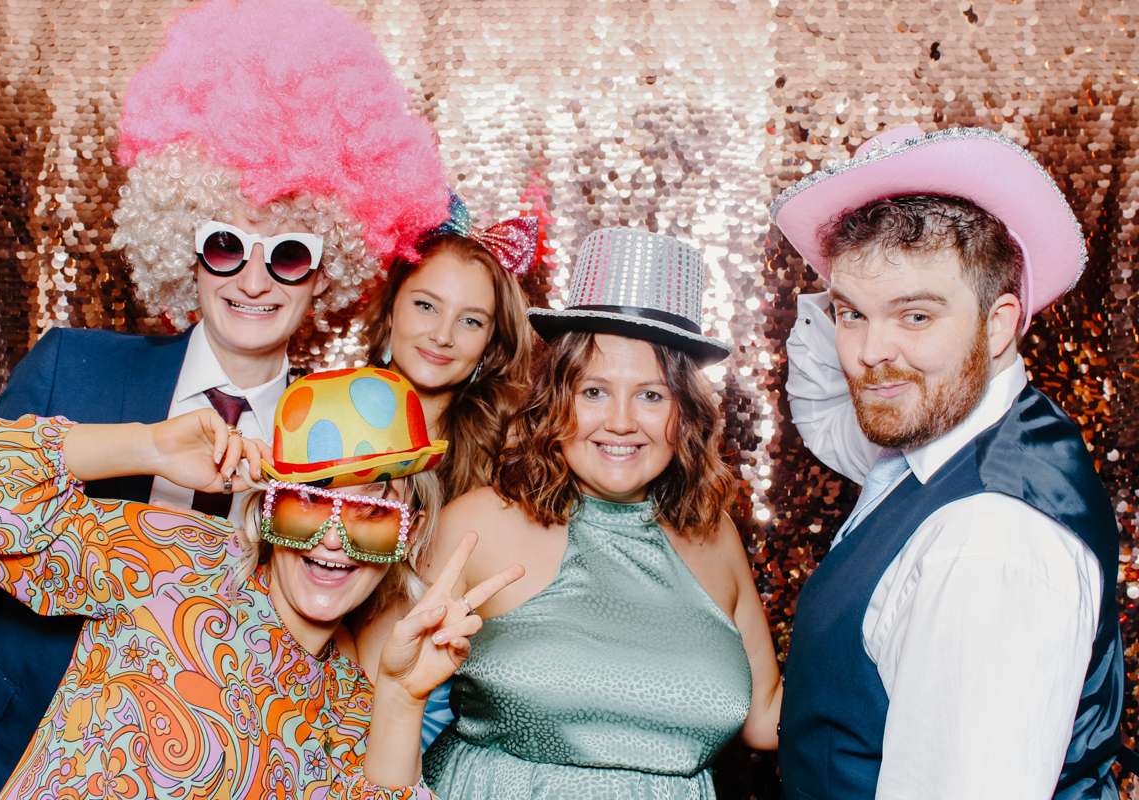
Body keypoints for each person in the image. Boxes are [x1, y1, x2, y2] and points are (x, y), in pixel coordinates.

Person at [0, 0, 449, 794]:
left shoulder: (331, 433)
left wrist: (400, 699)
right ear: (186, 245)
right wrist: (144, 443)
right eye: (225, 245)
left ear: (327, 268)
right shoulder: (86, 385)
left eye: (287, 254)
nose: (252, 279)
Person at [0, 368, 520, 799]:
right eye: (308, 506)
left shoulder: (351, 698)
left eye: (371, 517)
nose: (333, 541)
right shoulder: (179, 560)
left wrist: (401, 699)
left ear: (409, 536)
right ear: (266, 509)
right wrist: (147, 446)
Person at [772, 125, 1123, 799]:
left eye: (916, 317)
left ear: (997, 326)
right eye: (853, 316)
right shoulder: (939, 441)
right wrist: (844, 292)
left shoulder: (987, 541)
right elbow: (825, 417)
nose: (873, 352)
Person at [420, 227, 783, 798]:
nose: (619, 422)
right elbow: (372, 692)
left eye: (651, 394)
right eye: (593, 391)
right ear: (556, 399)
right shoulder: (479, 523)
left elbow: (765, 717)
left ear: (685, 414)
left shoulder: (713, 537)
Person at [351, 191, 537, 748]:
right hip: (316, 701)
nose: (442, 335)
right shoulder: (322, 419)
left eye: (471, 320)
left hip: (445, 723)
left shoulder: (512, 456)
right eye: (426, 305)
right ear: (389, 312)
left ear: (488, 343)